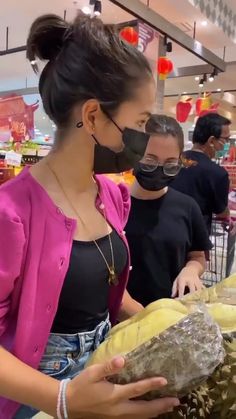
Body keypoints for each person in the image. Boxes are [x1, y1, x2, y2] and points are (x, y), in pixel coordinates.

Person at [0, 13, 179, 419]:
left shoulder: (113, 195)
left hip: (101, 385)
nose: (144, 137)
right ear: (95, 116)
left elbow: (105, 296)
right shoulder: (10, 212)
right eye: (140, 122)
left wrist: (163, 316)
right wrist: (60, 400)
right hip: (34, 400)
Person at [126, 115, 211, 306]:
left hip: (172, 315)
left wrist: (191, 270)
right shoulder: (114, 204)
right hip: (119, 321)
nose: (159, 171)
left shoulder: (187, 207)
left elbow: (197, 256)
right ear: (133, 154)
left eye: (171, 165)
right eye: (149, 162)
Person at [172, 113, 231, 234]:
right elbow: (221, 211)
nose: (227, 144)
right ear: (211, 141)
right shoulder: (217, 174)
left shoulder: (173, 161)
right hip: (196, 241)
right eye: (226, 139)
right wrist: (228, 214)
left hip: (167, 232)